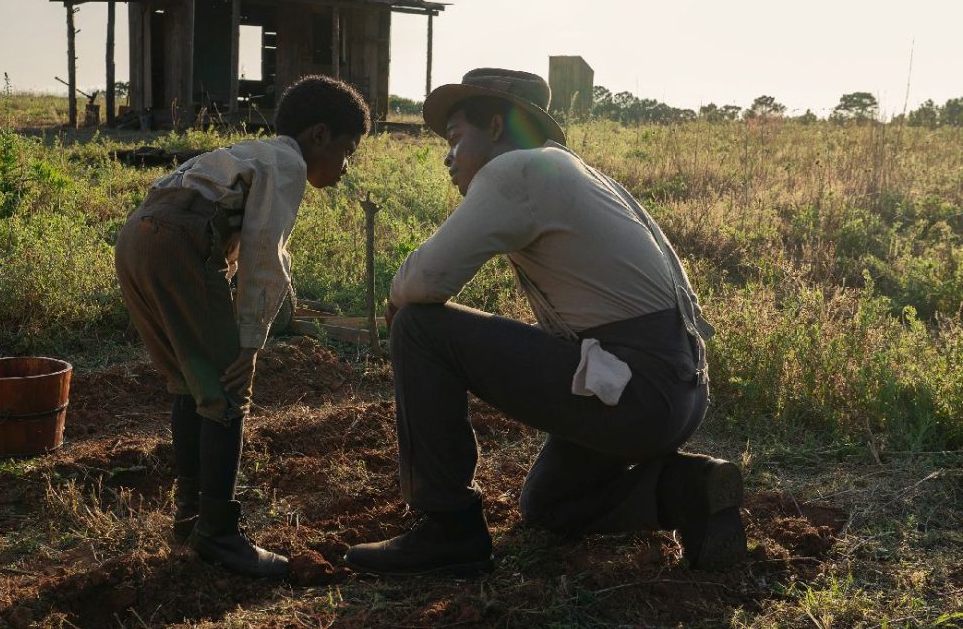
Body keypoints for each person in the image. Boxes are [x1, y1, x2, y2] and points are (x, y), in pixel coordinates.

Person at [345, 68, 745, 576]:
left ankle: (448, 527)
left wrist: (398, 306)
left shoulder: (517, 171)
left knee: (419, 329)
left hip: (633, 387)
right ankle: (687, 490)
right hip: (673, 391)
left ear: (494, 127)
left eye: (454, 138)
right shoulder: (573, 172)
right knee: (548, 505)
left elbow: (424, 280)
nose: (447, 157)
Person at [116, 75, 369, 578]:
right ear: (319, 135)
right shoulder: (290, 162)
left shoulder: (249, 151)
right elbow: (263, 253)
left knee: (192, 385)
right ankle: (219, 534)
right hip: (176, 243)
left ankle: (190, 517)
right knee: (229, 388)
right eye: (348, 151)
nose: (346, 167)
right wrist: (250, 341)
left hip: (137, 238)